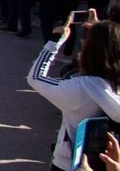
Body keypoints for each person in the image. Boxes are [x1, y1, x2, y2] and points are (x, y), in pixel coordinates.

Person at [28, 10, 120, 171]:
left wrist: (56, 41)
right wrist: (100, 29)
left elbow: (35, 77)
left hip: (72, 163)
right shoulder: (113, 86)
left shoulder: (80, 88)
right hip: (112, 162)